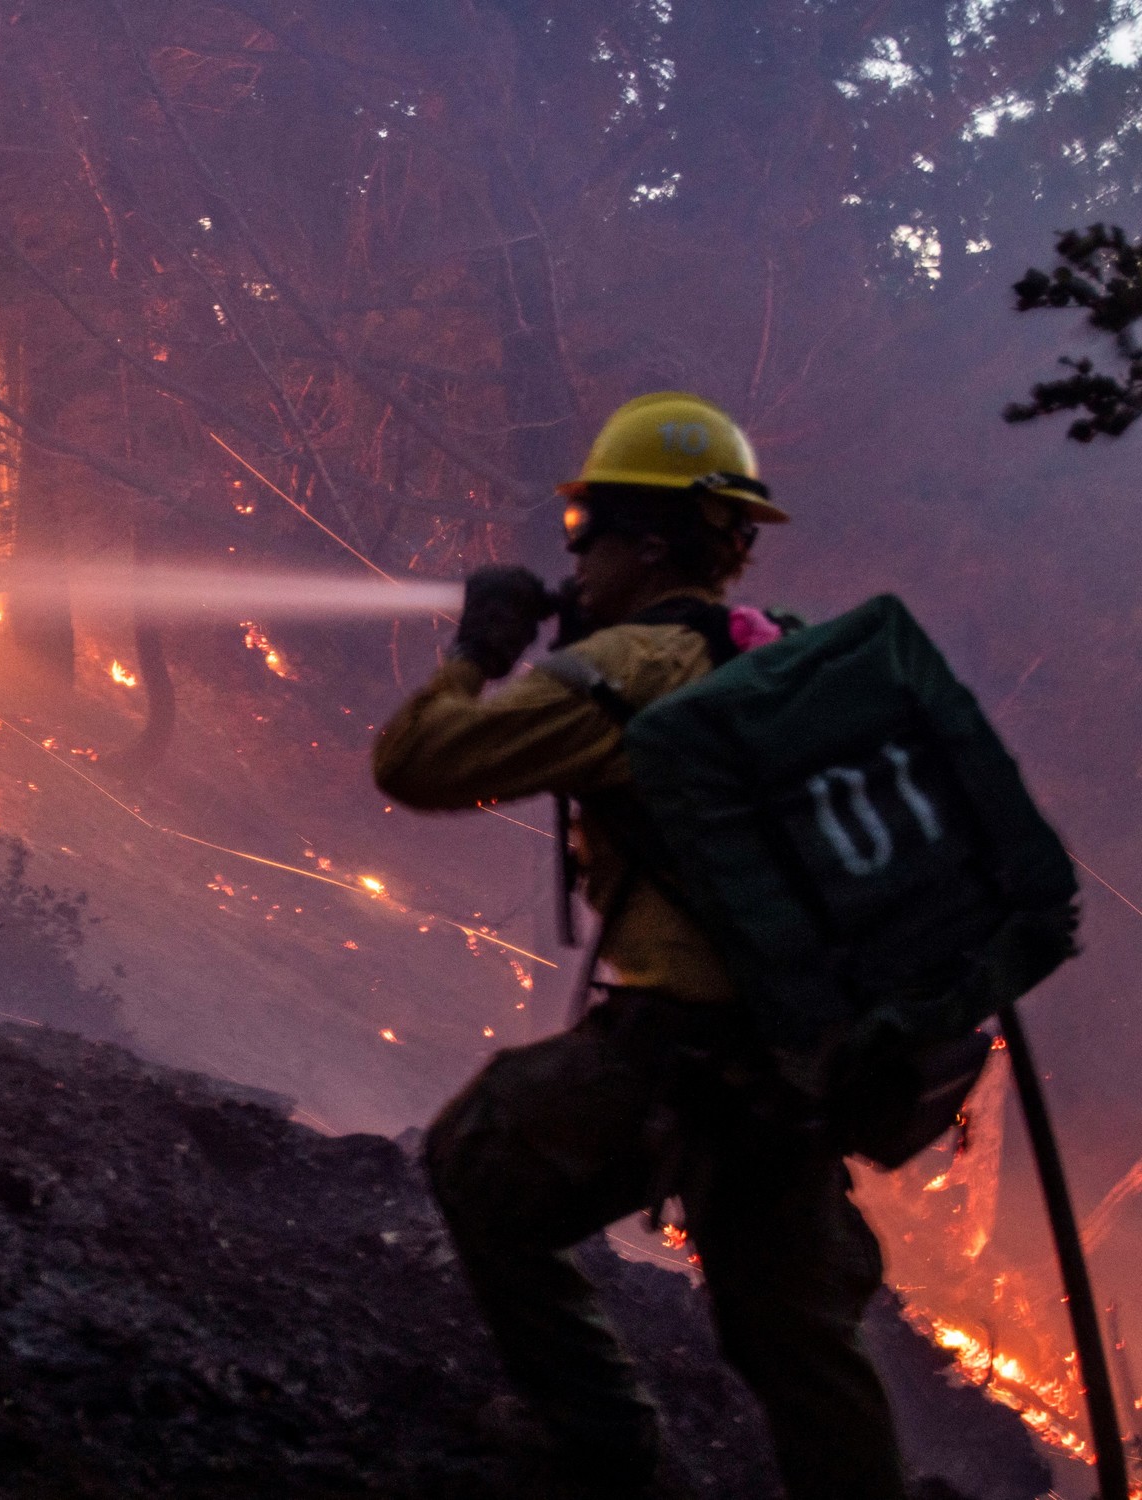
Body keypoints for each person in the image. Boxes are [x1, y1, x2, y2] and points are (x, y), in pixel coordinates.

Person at [372, 392, 907, 1500]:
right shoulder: (784, 657)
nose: (576, 554)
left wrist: (477, 652)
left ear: (644, 538)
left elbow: (416, 763)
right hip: (802, 1057)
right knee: (795, 1341)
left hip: (682, 1047)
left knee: (478, 1157)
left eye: (586, 532)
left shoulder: (636, 670)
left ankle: (602, 1444)